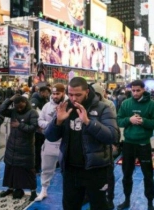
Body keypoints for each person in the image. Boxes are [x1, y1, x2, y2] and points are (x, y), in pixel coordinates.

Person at [44, 77, 119, 210]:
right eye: (71, 94)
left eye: (78, 95)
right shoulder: (65, 107)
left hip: (96, 170)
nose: (73, 98)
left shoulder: (103, 108)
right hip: (70, 170)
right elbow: (50, 136)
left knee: (99, 206)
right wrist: (58, 122)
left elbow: (113, 136)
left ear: (87, 92)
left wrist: (89, 122)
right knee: (70, 206)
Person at [117, 80, 154, 210]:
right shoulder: (126, 103)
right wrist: (129, 120)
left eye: (138, 90)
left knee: (148, 175)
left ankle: (150, 203)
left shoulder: (151, 104)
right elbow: (119, 121)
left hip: (144, 144)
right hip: (129, 143)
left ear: (143, 89)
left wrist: (143, 121)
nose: (135, 93)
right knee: (126, 174)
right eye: (133, 90)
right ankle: (127, 199)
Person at [0, 95, 39, 201]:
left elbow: (34, 128)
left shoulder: (32, 112)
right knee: (10, 168)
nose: (19, 109)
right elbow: (1, 110)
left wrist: (20, 125)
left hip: (26, 147)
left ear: (25, 102)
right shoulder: (13, 111)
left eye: (21, 107)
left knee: (28, 169)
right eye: (16, 107)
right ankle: (12, 188)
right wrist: (9, 99)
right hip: (12, 145)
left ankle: (33, 191)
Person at [35, 83, 68, 201]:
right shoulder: (46, 106)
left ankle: (69, 193)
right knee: (46, 167)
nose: (55, 96)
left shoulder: (69, 106)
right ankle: (43, 190)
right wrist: (52, 126)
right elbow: (40, 121)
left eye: (57, 93)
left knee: (68, 169)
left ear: (63, 93)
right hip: (49, 142)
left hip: (64, 143)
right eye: (53, 93)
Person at [92, 83, 117, 209]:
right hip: (93, 144)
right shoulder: (88, 105)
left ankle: (109, 197)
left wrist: (113, 142)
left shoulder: (109, 105)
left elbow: (113, 126)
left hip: (106, 143)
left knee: (108, 173)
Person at [30, 86, 51, 173]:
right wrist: (37, 125)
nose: (48, 94)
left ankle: (41, 164)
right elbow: (32, 114)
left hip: (43, 127)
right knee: (37, 148)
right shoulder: (35, 100)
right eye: (46, 92)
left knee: (43, 148)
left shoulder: (45, 100)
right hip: (37, 129)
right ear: (41, 92)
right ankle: (36, 166)